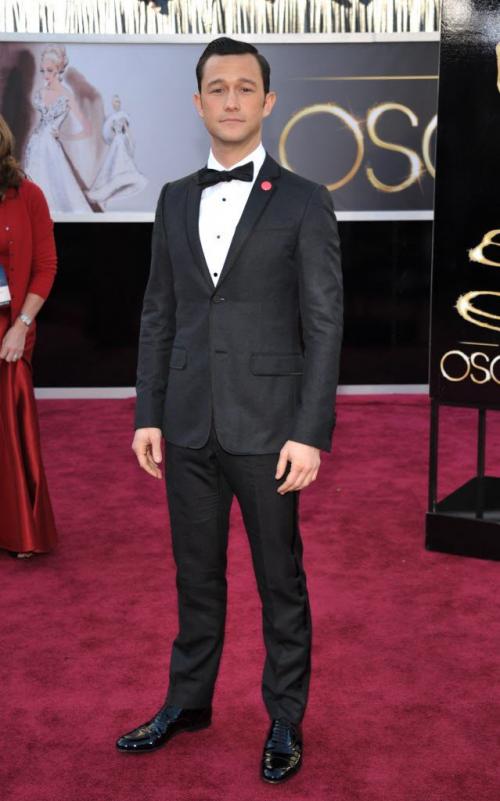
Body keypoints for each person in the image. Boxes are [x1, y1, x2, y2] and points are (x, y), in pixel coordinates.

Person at [116, 37, 343, 784]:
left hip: (270, 427)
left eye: (247, 87)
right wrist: (148, 410)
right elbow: (159, 310)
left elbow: (324, 322)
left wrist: (310, 432)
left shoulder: (307, 199)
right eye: (218, 88)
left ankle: (284, 715)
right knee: (195, 576)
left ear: (268, 102)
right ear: (198, 102)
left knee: (281, 579)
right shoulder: (175, 196)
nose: (233, 100)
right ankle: (188, 702)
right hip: (184, 423)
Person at [0, 114, 58, 558]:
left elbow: (45, 266)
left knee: (12, 429)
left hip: (9, 328)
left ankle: (20, 530)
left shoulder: (28, 194)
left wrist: (21, 325)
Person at [24, 44, 93, 213]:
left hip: (51, 148)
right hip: (35, 145)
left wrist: (64, 136)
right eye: (43, 71)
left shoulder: (66, 95)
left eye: (50, 70)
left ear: (58, 70)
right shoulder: (40, 92)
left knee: (56, 191)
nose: (46, 75)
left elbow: (87, 129)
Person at [87, 94, 148, 207]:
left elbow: (127, 131)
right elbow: (108, 133)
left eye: (118, 102)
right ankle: (106, 194)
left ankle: (120, 180)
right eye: (115, 102)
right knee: (111, 163)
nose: (116, 104)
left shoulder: (122, 116)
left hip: (120, 141)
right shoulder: (111, 118)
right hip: (116, 142)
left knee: (120, 161)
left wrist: (130, 140)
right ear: (112, 104)